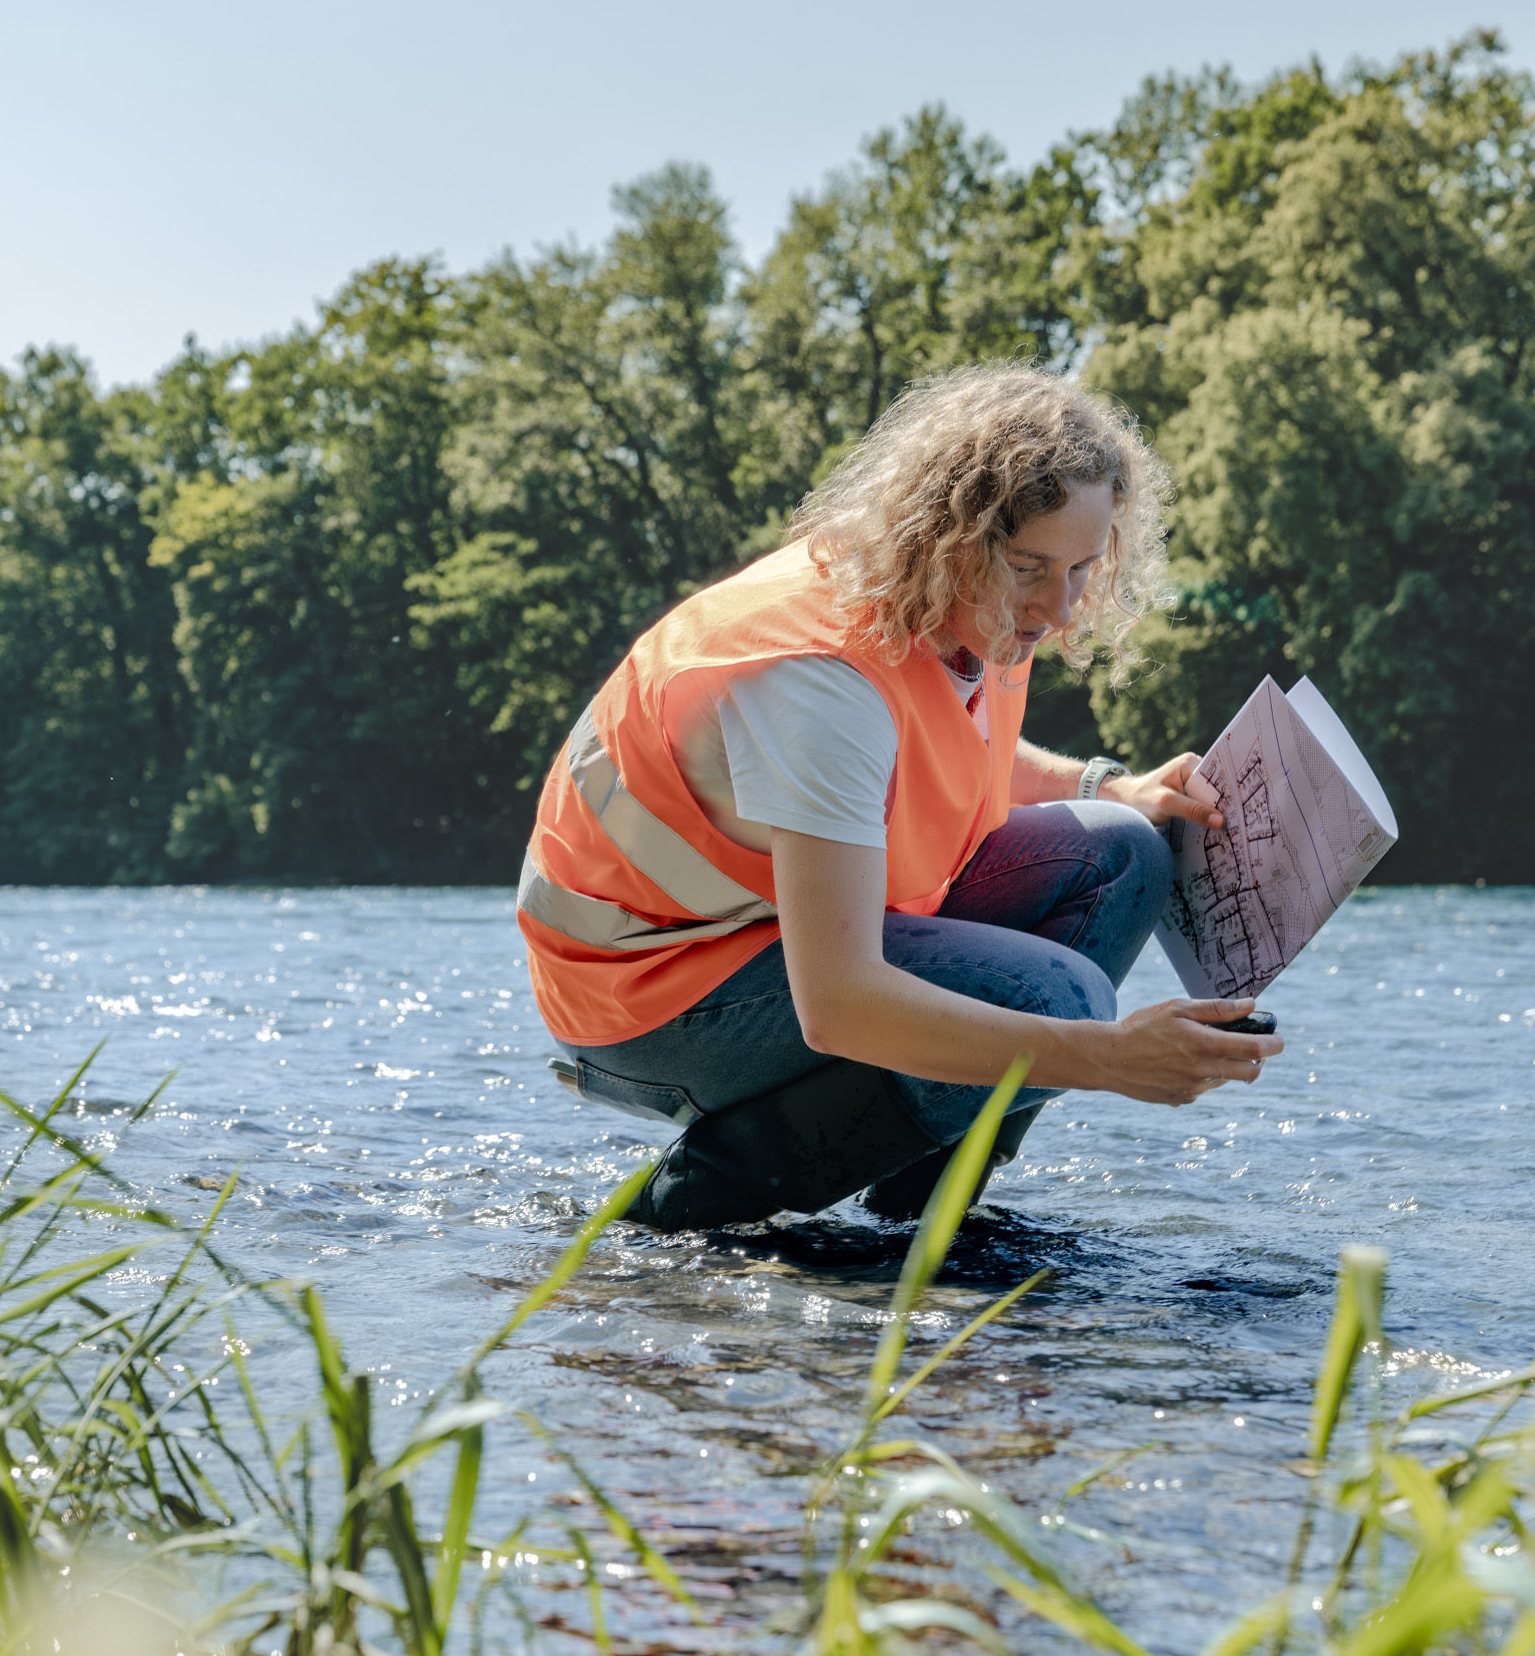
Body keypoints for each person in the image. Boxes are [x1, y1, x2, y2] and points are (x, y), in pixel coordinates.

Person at [518, 364, 1285, 1231]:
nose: (1060, 609)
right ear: (949, 534)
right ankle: (692, 1204)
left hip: (754, 938)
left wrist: (1104, 784)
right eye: (1032, 566)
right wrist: (1108, 1058)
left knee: (1125, 851)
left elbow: (950, 743)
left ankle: (920, 1213)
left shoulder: (970, 604)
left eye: (1082, 567)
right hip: (639, 999)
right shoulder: (823, 685)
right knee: (1054, 1004)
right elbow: (840, 1000)